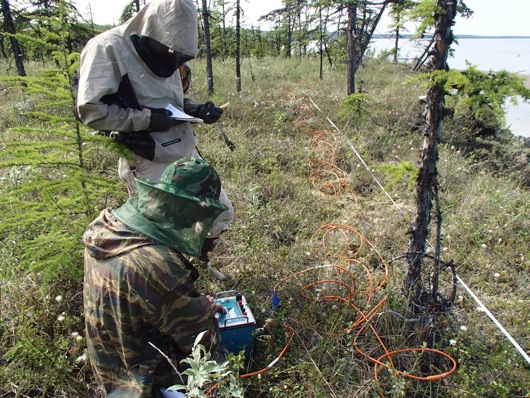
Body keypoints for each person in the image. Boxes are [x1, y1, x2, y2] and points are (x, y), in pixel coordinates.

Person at [76, 0, 233, 263]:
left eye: (181, 55)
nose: (174, 60)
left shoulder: (170, 54)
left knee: (219, 213)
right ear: (152, 30)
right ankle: (170, 284)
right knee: (159, 237)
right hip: (148, 160)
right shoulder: (108, 48)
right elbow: (91, 111)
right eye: (171, 51)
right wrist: (147, 119)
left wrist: (196, 109)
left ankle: (195, 269)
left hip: (184, 153)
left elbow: (171, 101)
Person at [83, 157, 228, 397]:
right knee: (220, 364)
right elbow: (200, 340)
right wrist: (204, 311)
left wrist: (190, 302)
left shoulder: (108, 226)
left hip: (107, 362)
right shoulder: (158, 264)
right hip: (142, 383)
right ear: (192, 210)